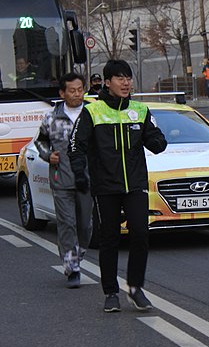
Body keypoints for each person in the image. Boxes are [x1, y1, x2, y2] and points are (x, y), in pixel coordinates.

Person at [69, 59, 167, 313]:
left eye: (128, 78)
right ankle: (111, 291)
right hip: (105, 186)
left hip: (135, 184)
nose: (126, 83)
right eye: (120, 78)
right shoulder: (93, 111)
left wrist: (157, 140)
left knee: (140, 233)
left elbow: (155, 140)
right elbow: (76, 145)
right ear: (108, 82)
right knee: (110, 238)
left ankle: (135, 287)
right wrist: (80, 174)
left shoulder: (140, 110)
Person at [35, 73, 93, 287]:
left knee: (85, 226)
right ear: (62, 93)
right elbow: (40, 141)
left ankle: (78, 256)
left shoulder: (92, 113)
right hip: (61, 177)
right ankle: (72, 268)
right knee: (67, 223)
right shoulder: (52, 117)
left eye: (80, 89)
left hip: (87, 179)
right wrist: (47, 155)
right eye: (72, 90)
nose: (77, 94)